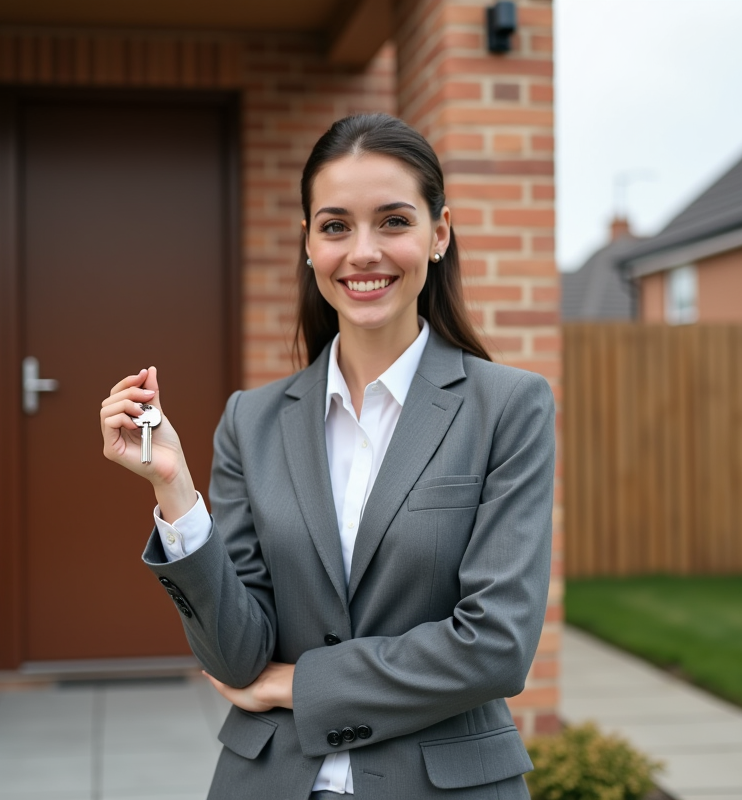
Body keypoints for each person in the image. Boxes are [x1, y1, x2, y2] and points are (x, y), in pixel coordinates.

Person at [100, 113, 555, 799]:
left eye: (394, 221)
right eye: (336, 226)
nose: (363, 251)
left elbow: (495, 647)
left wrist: (299, 684)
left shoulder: (509, 407)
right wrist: (175, 492)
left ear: (440, 233)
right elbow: (237, 656)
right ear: (309, 245)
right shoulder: (249, 420)